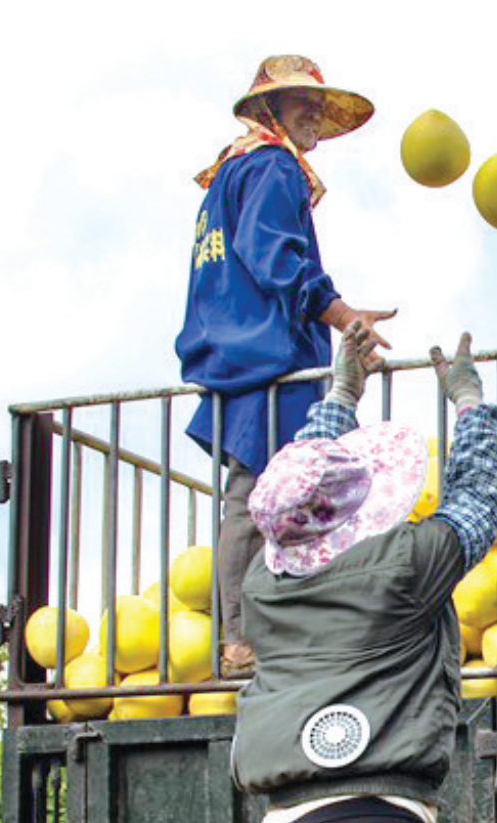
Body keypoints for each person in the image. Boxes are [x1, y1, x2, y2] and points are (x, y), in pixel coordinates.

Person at [231, 323, 497, 823]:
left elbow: (307, 487)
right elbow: (479, 496)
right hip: (378, 810)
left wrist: (341, 395)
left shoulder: (261, 582)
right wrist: (469, 401)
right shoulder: (405, 565)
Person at [175, 55, 397, 676]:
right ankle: (242, 639)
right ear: (267, 109)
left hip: (238, 350)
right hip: (265, 359)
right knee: (257, 496)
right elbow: (276, 258)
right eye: (301, 102)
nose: (315, 116)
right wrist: (342, 314)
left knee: (279, 495)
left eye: (319, 106)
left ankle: (278, 626)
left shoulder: (231, 172)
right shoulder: (271, 167)